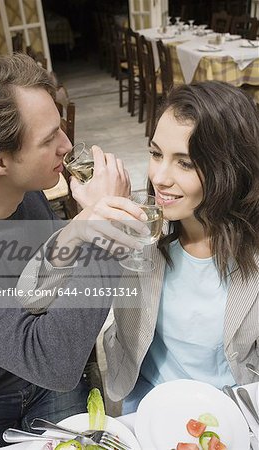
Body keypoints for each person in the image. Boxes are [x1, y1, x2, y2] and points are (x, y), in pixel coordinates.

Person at [0, 53, 148, 449]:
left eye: (60, 129)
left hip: (47, 371)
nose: (67, 145)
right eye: (49, 140)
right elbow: (54, 361)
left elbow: (44, 274)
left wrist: (80, 226)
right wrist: (105, 231)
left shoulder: (22, 192)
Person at [103, 81, 259, 412]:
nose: (159, 177)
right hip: (145, 399)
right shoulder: (139, 233)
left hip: (229, 408)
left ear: (230, 168)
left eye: (184, 163)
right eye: (156, 154)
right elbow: (34, 298)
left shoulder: (252, 256)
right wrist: (82, 229)